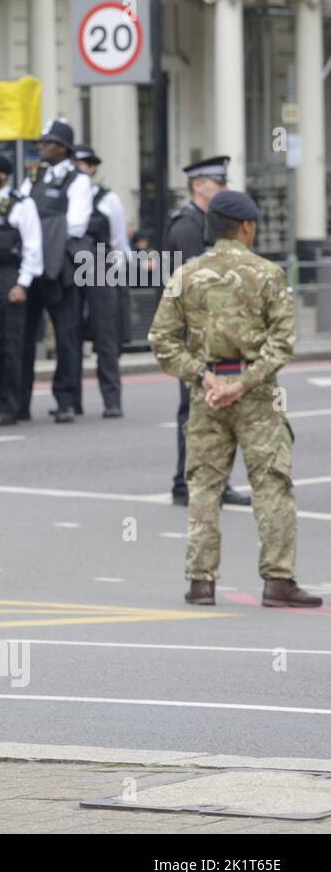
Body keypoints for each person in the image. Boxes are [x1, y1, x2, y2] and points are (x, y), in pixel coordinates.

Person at [148, 190, 321, 609]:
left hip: (206, 394)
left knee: (204, 486)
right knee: (272, 485)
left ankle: (201, 581)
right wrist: (243, 383)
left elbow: (161, 340)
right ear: (246, 227)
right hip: (259, 397)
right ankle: (278, 581)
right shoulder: (267, 274)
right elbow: (282, 344)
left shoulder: (187, 275)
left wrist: (205, 376)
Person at [163, 155, 250, 508]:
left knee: (213, 411)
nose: (224, 189)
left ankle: (214, 480)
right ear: (199, 186)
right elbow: (194, 285)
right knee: (196, 411)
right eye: (219, 183)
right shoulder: (187, 227)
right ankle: (186, 483)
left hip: (211, 332)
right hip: (195, 334)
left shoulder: (207, 225)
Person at [18, 117, 92, 423]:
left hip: (60, 264)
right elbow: (19, 208)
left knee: (66, 336)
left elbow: (76, 224)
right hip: (33, 263)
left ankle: (66, 400)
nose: (41, 148)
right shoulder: (34, 177)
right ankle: (19, 400)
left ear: (63, 148)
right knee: (23, 337)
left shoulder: (79, 181)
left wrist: (38, 223)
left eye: (47, 143)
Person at [0, 152, 42, 425]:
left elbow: (33, 248)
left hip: (9, 277)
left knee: (11, 348)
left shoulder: (22, 205)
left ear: (3, 174)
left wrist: (22, 284)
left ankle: (12, 407)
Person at [73, 143, 127, 418]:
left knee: (106, 336)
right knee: (69, 335)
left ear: (92, 167)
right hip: (71, 266)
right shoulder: (65, 198)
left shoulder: (108, 200)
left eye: (84, 163)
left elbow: (119, 243)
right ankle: (70, 401)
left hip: (101, 267)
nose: (79, 168)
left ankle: (112, 399)